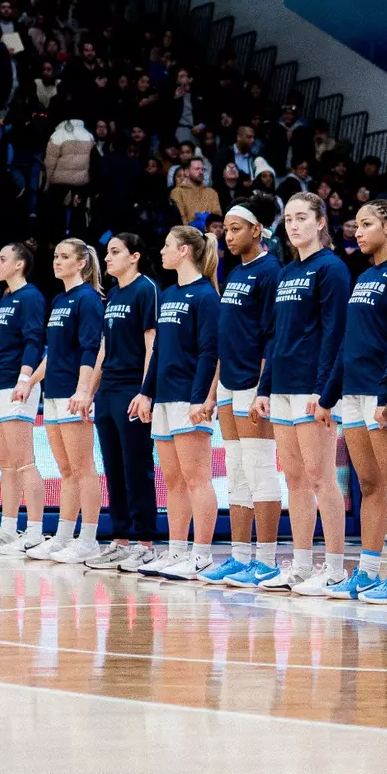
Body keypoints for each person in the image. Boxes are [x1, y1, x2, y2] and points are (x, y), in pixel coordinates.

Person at [318, 200, 387, 603]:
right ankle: (369, 569)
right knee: (369, 484)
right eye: (356, 226)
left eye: (366, 224)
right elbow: (350, 342)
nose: (357, 232)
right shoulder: (364, 276)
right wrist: (328, 396)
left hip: (385, 394)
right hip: (354, 395)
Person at [251, 192, 350, 595]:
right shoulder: (288, 272)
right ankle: (303, 563)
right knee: (294, 477)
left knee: (321, 476)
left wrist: (323, 389)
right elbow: (276, 337)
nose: (294, 226)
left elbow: (335, 333)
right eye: (289, 219)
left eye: (302, 218)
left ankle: (337, 567)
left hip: (314, 388)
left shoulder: (332, 270)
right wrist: (264, 387)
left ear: (321, 222)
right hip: (283, 389)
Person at [131, 225, 222, 578]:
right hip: (165, 398)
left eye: (168, 245)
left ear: (184, 251)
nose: (163, 251)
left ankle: (201, 555)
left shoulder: (206, 296)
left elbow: (210, 353)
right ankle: (176, 551)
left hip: (189, 398)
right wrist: (146, 391)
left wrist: (201, 399)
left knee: (197, 478)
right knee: (173, 481)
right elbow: (158, 352)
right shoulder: (168, 294)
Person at [201, 202, 283, 588]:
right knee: (236, 470)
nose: (229, 236)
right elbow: (224, 338)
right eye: (226, 230)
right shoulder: (234, 272)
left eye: (236, 229)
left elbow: (271, 335)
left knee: (259, 468)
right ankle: (239, 556)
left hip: (254, 381)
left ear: (257, 230)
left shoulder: (271, 272)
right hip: (231, 382)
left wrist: (262, 389)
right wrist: (214, 392)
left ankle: (265, 560)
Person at [81, 234, 161, 571]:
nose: (108, 258)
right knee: (112, 467)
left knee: (136, 465)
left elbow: (151, 344)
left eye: (115, 252)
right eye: (108, 252)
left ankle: (144, 542)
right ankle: (120, 539)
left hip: (132, 388)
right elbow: (102, 348)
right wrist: (88, 391)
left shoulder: (146, 289)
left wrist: (145, 391)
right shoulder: (112, 294)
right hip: (108, 390)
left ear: (135, 256)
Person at [23, 239, 106, 563]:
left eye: (65, 256)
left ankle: (88, 539)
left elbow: (91, 348)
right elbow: (52, 352)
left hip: (74, 394)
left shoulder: (88, 299)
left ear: (82, 263)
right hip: (53, 393)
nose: (58, 261)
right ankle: (62, 536)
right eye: (56, 255)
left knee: (84, 469)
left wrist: (83, 390)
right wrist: (30, 383)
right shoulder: (58, 299)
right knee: (66, 469)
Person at [0, 243, 48, 552]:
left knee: (23, 462)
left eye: (3, 259)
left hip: (18, 385)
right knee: (5, 464)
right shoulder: (5, 298)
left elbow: (33, 341)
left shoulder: (31, 297)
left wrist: (25, 379)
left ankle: (35, 531)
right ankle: (7, 528)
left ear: (19, 265)